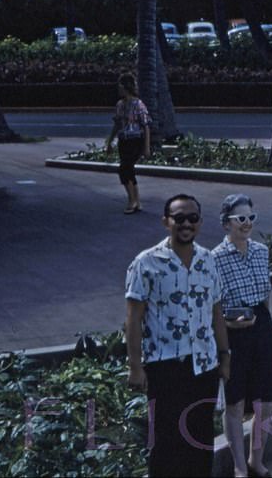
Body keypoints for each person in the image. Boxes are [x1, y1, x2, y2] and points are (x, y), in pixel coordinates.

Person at [125, 194, 231, 477]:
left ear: (200, 222)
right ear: (166, 222)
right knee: (165, 442)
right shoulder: (146, 263)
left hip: (204, 367)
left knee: (201, 440)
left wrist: (224, 355)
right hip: (165, 368)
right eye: (179, 218)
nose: (186, 224)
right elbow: (133, 319)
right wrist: (135, 367)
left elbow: (216, 312)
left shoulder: (209, 260)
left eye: (192, 218)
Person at [212, 195, 272, 478]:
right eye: (241, 219)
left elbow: (264, 295)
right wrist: (228, 325)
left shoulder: (261, 251)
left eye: (251, 218)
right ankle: (239, 465)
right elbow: (213, 305)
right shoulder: (214, 257)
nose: (247, 224)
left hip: (260, 323)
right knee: (235, 401)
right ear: (227, 223)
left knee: (266, 400)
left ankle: (256, 458)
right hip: (231, 328)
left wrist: (263, 324)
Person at [105, 73, 150, 214]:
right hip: (123, 140)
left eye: (120, 86)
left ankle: (132, 201)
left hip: (135, 140)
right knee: (128, 171)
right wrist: (110, 141)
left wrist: (146, 147)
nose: (118, 89)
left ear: (126, 87)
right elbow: (117, 124)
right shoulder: (120, 105)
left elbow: (146, 126)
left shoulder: (138, 104)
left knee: (125, 169)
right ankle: (136, 201)